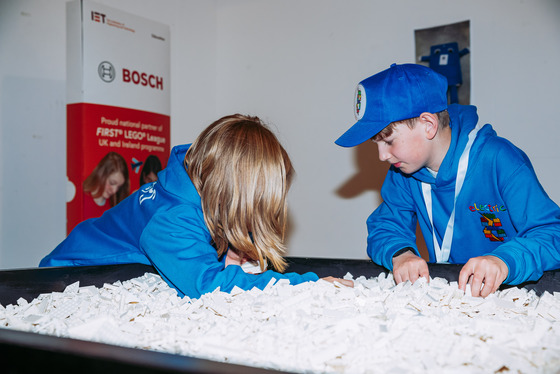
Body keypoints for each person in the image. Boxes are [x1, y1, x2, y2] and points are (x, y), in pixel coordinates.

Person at [41, 114, 352, 298]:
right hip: (62, 283)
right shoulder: (172, 219)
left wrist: (229, 245)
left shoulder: (189, 185)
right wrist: (305, 285)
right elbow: (207, 286)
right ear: (232, 194)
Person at [335, 63, 560, 297]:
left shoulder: (498, 160)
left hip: (512, 295)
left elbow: (553, 233)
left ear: (428, 125)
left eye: (389, 141)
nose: (382, 156)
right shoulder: (403, 172)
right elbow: (385, 226)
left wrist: (504, 260)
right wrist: (401, 253)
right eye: (376, 143)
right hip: (450, 298)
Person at [82, 151, 130, 219]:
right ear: (101, 174)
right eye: (112, 183)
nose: (114, 191)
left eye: (119, 187)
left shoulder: (113, 204)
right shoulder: (81, 198)